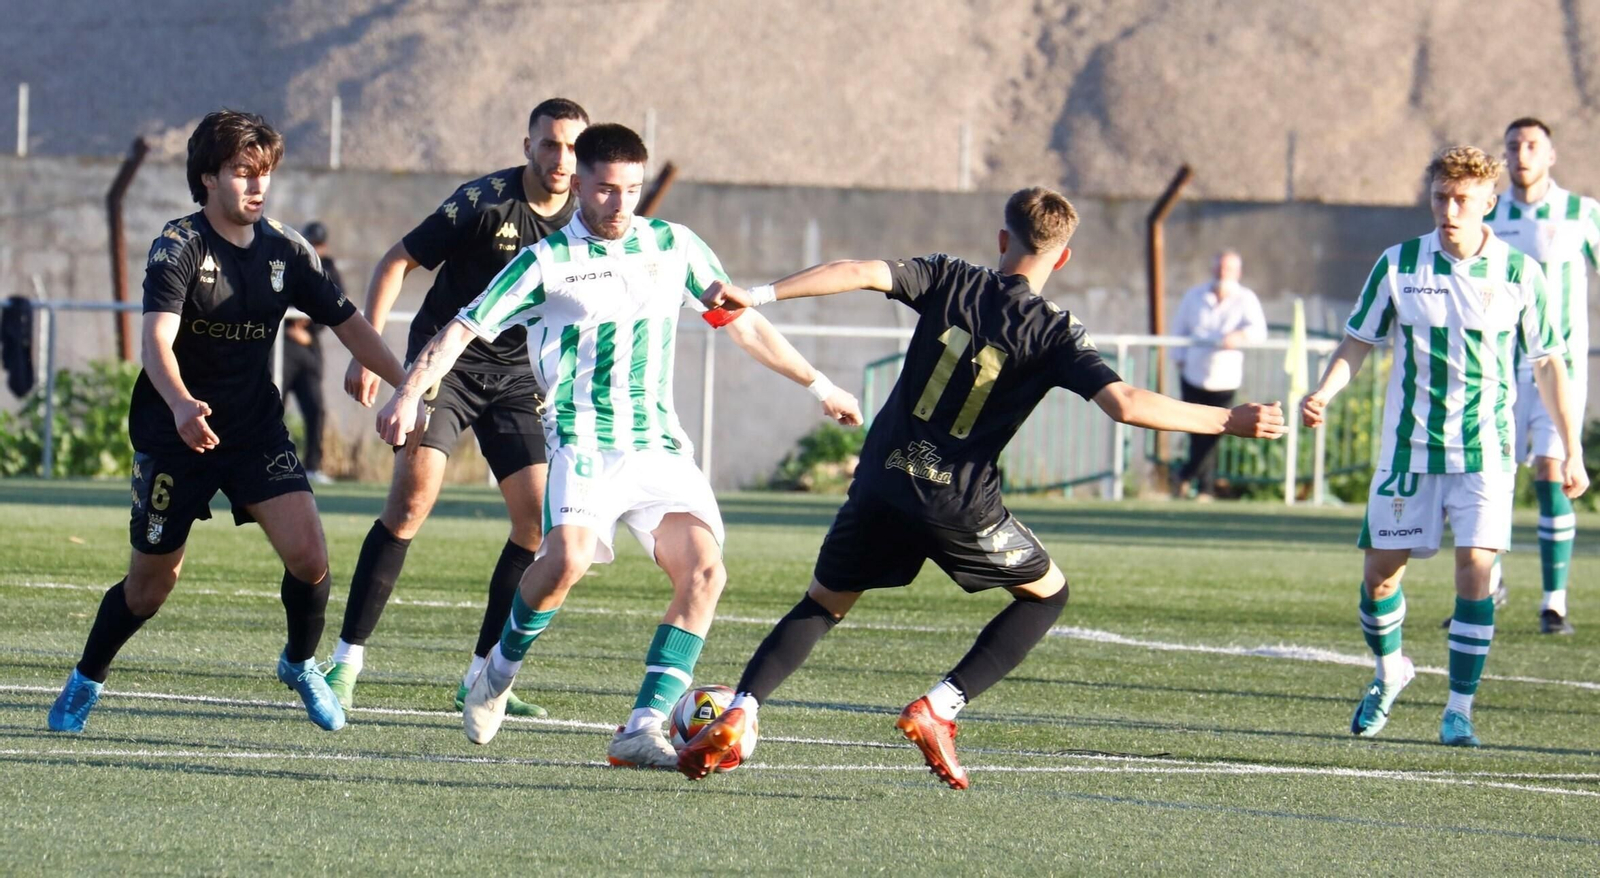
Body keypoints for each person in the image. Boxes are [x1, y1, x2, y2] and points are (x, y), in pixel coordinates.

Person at [675, 187, 1287, 789]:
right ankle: (941, 706)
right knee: (1047, 596)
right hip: (959, 502)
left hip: (883, 481)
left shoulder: (948, 276)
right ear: (1063, 257)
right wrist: (1227, 419)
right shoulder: (1054, 332)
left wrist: (754, 294)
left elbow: (857, 271)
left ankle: (742, 709)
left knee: (823, 604)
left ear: (1002, 240)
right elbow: (1124, 404)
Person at [376, 122, 863, 768]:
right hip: (582, 441)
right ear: (578, 183)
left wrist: (818, 383)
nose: (619, 204)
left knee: (706, 572)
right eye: (605, 189)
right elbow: (463, 328)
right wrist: (411, 393)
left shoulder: (674, 245)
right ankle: (497, 671)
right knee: (565, 563)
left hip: (658, 443)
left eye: (631, 189)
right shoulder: (546, 261)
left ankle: (641, 726)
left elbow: (742, 323)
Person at [45, 110, 407, 734]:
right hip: (174, 431)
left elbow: (351, 326)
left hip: (253, 430)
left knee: (310, 557)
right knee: (149, 589)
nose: (256, 185)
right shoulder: (178, 245)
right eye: (242, 172)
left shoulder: (286, 251)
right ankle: (86, 678)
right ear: (208, 178)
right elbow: (156, 342)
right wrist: (183, 404)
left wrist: (411, 385)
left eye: (263, 173)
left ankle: (299, 663)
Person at [1301, 146, 1587, 749]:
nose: (1449, 210)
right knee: (1379, 577)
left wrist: (1572, 449)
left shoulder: (1517, 272)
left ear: (1489, 203)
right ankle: (1391, 670)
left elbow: (1550, 366)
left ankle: (1459, 709)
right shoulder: (1400, 263)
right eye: (1440, 197)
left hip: (1486, 450)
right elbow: (1358, 340)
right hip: (1408, 450)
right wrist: (1324, 391)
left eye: (1462, 200)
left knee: (1475, 572)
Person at [327, 99, 591, 717]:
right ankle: (344, 662)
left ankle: (481, 677)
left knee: (538, 526)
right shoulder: (484, 201)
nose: (560, 159)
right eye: (548, 145)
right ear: (526, 145)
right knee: (411, 502)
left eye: (572, 148)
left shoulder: (590, 216)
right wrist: (369, 351)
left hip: (519, 377)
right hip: (443, 364)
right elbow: (398, 259)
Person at [1478, 117, 1598, 634]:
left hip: (1559, 368)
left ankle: (1554, 603)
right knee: (1493, 476)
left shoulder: (1581, 213)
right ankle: (1490, 583)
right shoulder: (1491, 213)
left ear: (1550, 155)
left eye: (1532, 145)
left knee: (1552, 474)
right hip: (1498, 369)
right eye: (1513, 146)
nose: (1522, 154)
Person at [1170, 250, 1267, 500]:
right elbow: (1179, 329)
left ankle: (1188, 478)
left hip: (1225, 378)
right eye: (1219, 269)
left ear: (1237, 273)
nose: (1222, 274)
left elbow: (1258, 332)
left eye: (1228, 269)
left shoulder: (1246, 299)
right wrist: (1179, 359)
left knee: (1214, 432)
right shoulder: (1194, 296)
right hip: (1193, 374)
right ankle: (1202, 487)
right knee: (1195, 431)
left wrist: (1239, 336)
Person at [280, 220, 340, 484]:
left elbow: (338, 309)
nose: (314, 249)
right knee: (272, 407)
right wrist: (286, 330)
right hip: (282, 348)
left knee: (315, 409)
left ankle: (313, 466)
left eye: (318, 245)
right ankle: (271, 463)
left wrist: (310, 331)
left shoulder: (330, 270)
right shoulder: (290, 264)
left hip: (310, 350)